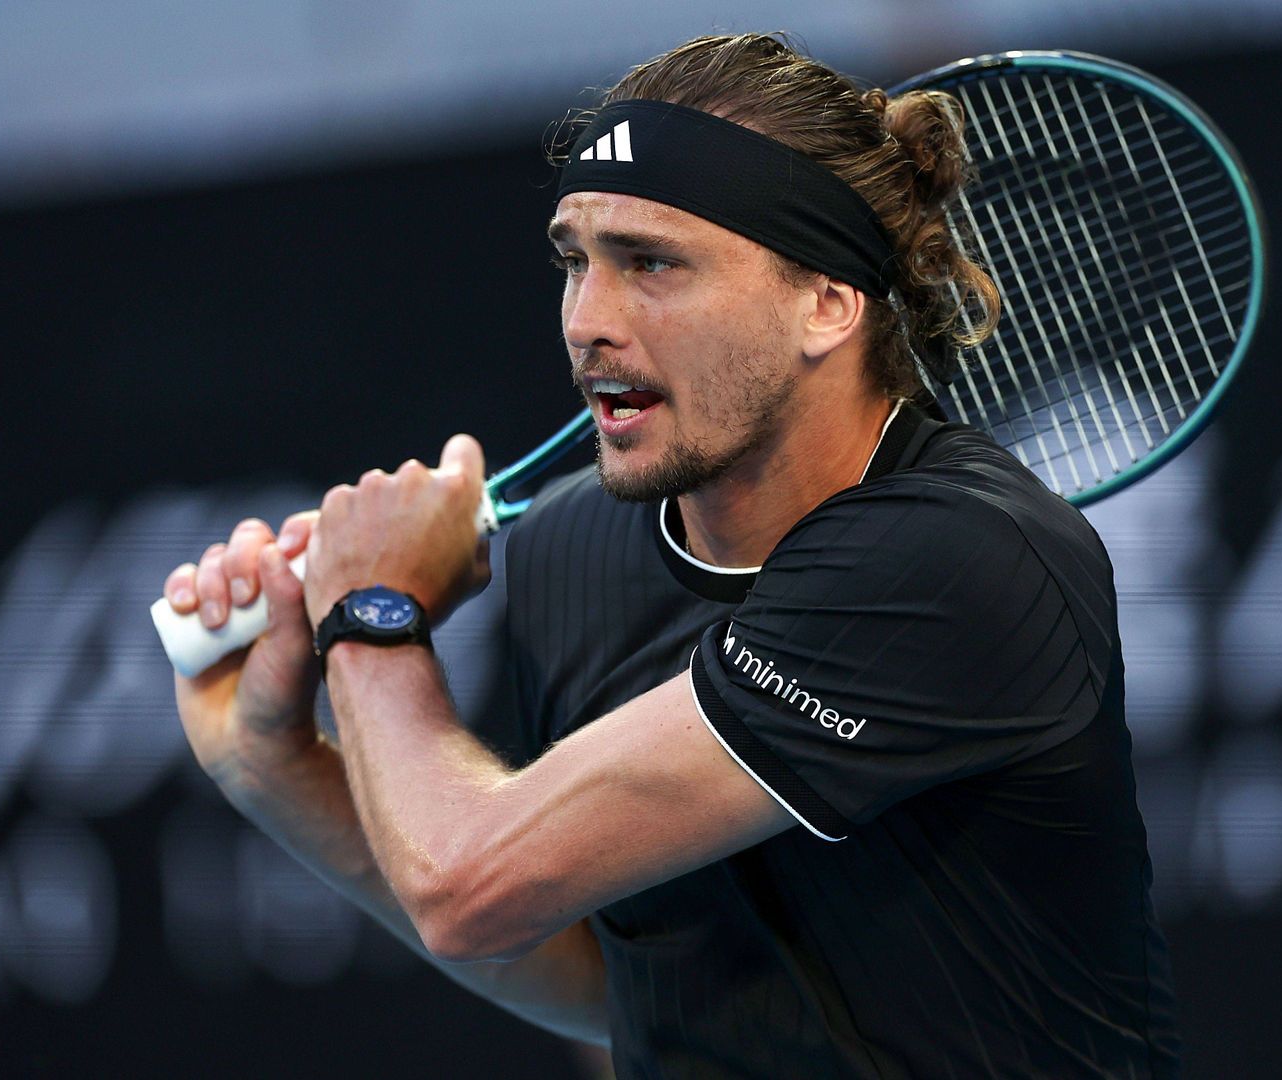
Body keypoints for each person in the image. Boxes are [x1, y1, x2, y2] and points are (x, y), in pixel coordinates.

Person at [165, 33, 1181, 1079]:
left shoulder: (960, 559)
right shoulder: (568, 550)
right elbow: (610, 982)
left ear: (826, 301)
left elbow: (468, 886)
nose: (588, 322)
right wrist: (271, 760)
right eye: (576, 260)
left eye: (653, 263)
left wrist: (372, 609)